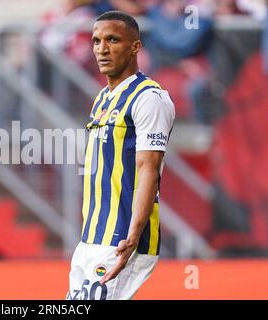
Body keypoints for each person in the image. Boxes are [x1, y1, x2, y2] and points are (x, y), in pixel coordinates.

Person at [66, 11, 175, 300]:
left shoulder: (149, 98)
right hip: (92, 236)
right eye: (96, 41)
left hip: (121, 238)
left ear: (135, 47)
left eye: (113, 40)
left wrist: (133, 235)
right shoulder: (102, 98)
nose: (102, 48)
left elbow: (148, 169)